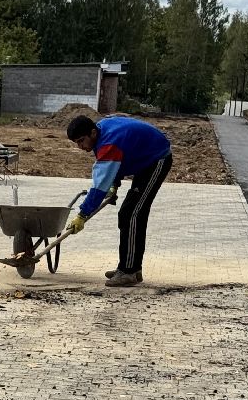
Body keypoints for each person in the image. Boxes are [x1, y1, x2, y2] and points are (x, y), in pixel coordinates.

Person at [64, 113, 173, 287]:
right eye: (76, 143)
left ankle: (128, 271)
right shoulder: (101, 130)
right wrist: (114, 184)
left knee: (131, 214)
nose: (80, 147)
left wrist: (83, 214)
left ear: (92, 133)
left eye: (81, 141)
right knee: (130, 214)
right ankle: (131, 267)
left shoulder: (108, 143)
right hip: (143, 159)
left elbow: (99, 187)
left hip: (156, 159)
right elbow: (119, 158)